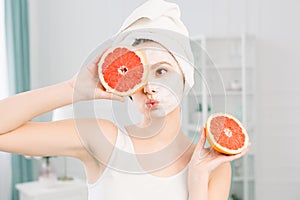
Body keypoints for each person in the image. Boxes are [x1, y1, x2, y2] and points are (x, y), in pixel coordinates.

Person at [0, 0, 250, 200]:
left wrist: (196, 179)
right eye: (139, 74)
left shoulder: (211, 166)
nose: (150, 87)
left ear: (185, 79)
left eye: (162, 71)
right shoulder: (103, 139)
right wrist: (71, 88)